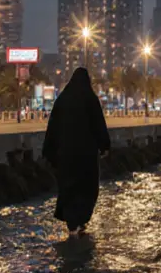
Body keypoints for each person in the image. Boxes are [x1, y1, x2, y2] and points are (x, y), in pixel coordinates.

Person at [42, 67, 111, 236]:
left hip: (66, 155)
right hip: (86, 156)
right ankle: (80, 221)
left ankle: (72, 224)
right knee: (86, 188)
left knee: (69, 187)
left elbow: (53, 128)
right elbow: (99, 125)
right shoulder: (90, 99)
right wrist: (105, 146)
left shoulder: (63, 100)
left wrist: (49, 151)